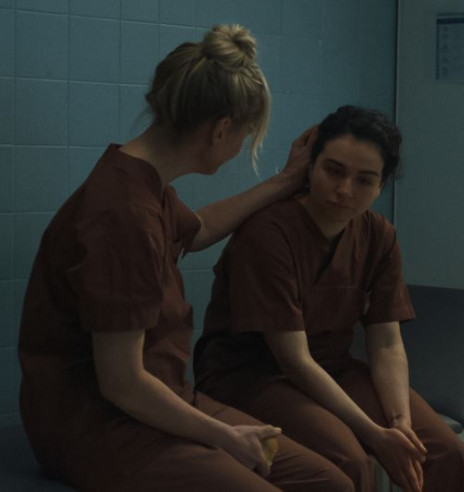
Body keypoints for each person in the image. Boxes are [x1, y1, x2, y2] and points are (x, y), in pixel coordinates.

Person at [17, 24, 353, 492]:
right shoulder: (122, 215)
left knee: (327, 483)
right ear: (220, 130)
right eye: (245, 137)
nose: (240, 149)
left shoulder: (139, 179)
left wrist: (284, 181)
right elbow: (121, 382)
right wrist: (224, 436)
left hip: (158, 397)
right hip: (98, 424)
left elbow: (197, 230)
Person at [194, 105, 464, 492]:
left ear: (381, 185)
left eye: (364, 180)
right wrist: (374, 435)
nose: (344, 190)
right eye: (334, 171)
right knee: (349, 461)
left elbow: (386, 342)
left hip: (332, 368)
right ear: (310, 167)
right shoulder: (268, 234)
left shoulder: (378, 236)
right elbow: (294, 360)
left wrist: (400, 424)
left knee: (443, 451)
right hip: (252, 376)